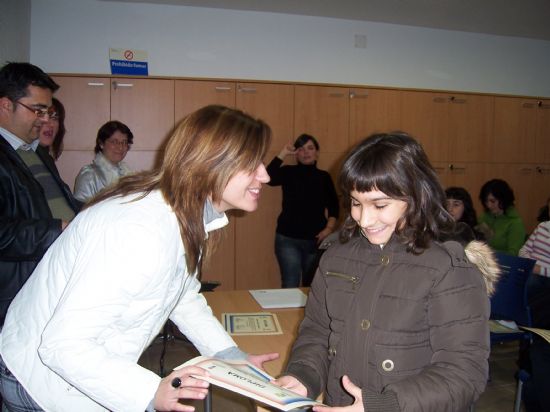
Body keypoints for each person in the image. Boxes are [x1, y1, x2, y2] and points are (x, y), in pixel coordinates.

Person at [0, 105, 279, 412]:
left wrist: (228, 355)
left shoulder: (184, 213)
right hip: (39, 381)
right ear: (208, 164)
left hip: (76, 367)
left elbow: (181, 295)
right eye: (251, 164)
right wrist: (149, 392)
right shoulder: (140, 229)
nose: (264, 175)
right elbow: (63, 346)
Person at [274, 132, 499, 411]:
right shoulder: (336, 257)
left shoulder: (449, 267)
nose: (364, 219)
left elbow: (463, 373)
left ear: (416, 195)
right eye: (356, 203)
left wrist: (384, 404)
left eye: (380, 205)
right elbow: (318, 331)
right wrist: (303, 376)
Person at [0, 62, 81, 327]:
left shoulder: (35, 152)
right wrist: (58, 229)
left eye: (47, 111)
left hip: (47, 280)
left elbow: (60, 203)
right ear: (5, 105)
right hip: (16, 294)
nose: (45, 119)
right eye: (37, 110)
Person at [267, 134, 339, 287]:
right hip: (287, 239)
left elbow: (334, 206)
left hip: (316, 241)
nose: (306, 152)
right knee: (289, 284)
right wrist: (283, 153)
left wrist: (329, 229)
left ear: (317, 153)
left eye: (310, 148)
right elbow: (268, 178)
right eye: (301, 149)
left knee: (312, 286)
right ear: (296, 153)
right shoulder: (288, 172)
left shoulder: (324, 177)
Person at [73, 120, 134, 202]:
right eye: (114, 142)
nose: (120, 147)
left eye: (124, 142)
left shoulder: (127, 173)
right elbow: (81, 209)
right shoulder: (89, 175)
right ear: (101, 144)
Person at [478, 178, 526, 255]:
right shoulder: (485, 216)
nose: (489, 205)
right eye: (486, 201)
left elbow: (513, 254)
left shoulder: (515, 223)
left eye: (493, 201)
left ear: (504, 199)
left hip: (501, 264)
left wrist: (488, 254)